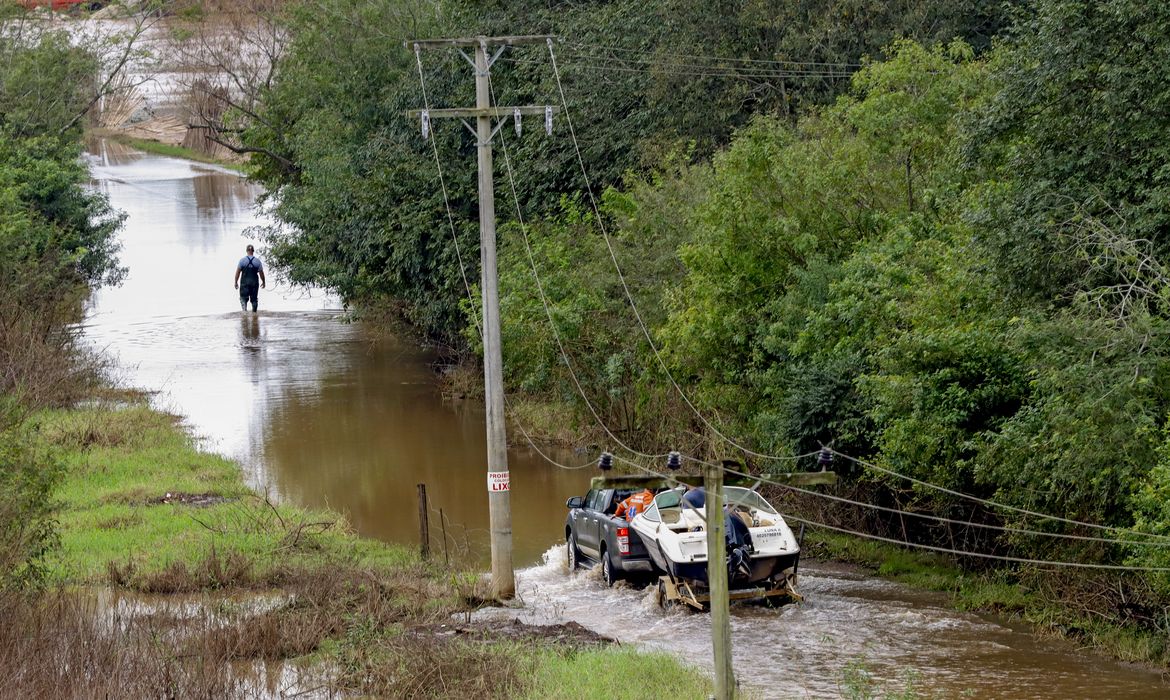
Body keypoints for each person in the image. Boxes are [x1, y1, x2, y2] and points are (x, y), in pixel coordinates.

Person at [233, 244, 266, 312]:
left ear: (247, 251)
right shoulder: (257, 261)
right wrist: (263, 282)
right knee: (254, 300)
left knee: (243, 299)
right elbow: (261, 273)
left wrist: (236, 282)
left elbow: (238, 272)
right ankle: (254, 313)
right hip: (254, 283)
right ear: (253, 251)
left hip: (244, 284)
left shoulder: (242, 261)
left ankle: (244, 312)